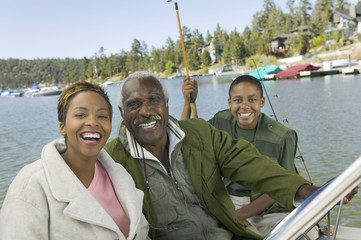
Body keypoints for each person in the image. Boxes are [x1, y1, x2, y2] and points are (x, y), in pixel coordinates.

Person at [105, 70, 358, 240]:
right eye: (133, 104)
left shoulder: (200, 132)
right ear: (121, 111)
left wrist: (308, 191)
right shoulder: (111, 158)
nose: (146, 111)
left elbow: (250, 164)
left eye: (154, 100)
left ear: (166, 105)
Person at [0, 81, 149, 240]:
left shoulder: (119, 174)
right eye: (80, 115)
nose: (93, 122)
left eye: (102, 116)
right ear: (62, 126)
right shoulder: (31, 185)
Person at [181, 75, 299, 237]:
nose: (245, 106)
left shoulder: (282, 136)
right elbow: (185, 137)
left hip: (268, 210)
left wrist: (237, 217)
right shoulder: (219, 121)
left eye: (252, 100)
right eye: (238, 100)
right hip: (226, 201)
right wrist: (188, 102)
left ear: (262, 102)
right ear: (230, 103)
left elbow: (284, 187)